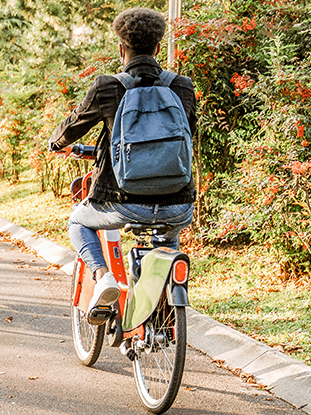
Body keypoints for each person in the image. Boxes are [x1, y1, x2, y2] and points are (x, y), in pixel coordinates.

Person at [48, 7, 198, 323]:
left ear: (121, 48)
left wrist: (57, 143)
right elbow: (186, 138)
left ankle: (103, 277)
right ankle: (164, 309)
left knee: (78, 223)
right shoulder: (182, 86)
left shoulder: (107, 87)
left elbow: (71, 128)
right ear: (158, 47)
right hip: (178, 204)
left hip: (124, 204)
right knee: (166, 239)